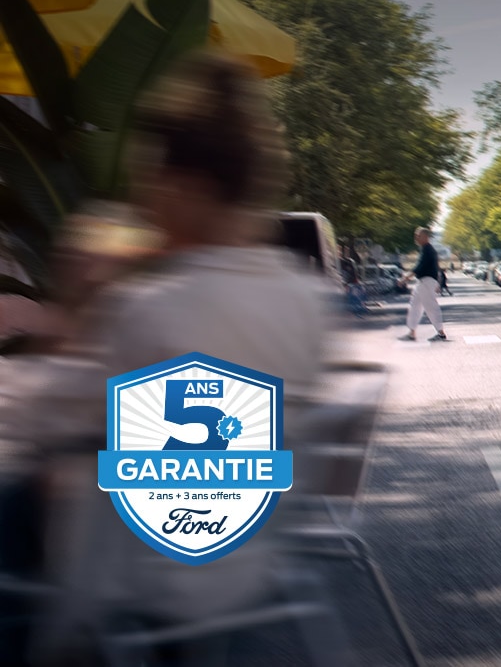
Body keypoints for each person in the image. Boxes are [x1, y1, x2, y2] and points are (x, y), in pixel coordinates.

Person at [29, 55, 328, 662]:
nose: (142, 199)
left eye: (149, 181)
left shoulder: (150, 307)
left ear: (186, 188)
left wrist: (77, 301)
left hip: (135, 577)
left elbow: (46, 423)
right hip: (248, 560)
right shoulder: (306, 297)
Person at [400, 227, 449, 342]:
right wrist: (438, 282)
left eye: (418, 235)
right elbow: (436, 267)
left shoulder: (427, 250)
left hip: (426, 282)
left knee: (431, 307)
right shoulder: (426, 249)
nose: (416, 238)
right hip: (423, 282)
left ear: (426, 237)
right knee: (414, 306)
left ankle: (441, 333)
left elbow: (419, 267)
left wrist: (405, 278)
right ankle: (411, 332)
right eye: (416, 235)